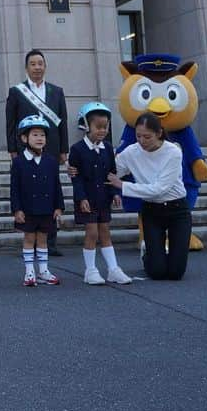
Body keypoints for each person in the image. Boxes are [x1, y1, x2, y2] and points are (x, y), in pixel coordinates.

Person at [108, 113, 191, 281]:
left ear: (159, 133)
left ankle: (163, 256)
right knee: (157, 272)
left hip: (177, 210)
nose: (142, 141)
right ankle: (150, 254)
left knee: (176, 273)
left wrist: (123, 186)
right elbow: (110, 171)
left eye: (147, 137)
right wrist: (77, 168)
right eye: (138, 136)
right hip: (151, 210)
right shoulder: (131, 152)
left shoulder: (173, 152)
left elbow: (159, 189)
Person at [5, 49, 69, 255]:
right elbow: (11, 123)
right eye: (33, 64)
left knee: (49, 191)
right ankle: (30, 240)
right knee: (28, 191)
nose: (37, 67)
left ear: (45, 66)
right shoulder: (17, 92)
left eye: (40, 63)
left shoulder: (56, 91)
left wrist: (64, 149)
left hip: (50, 148)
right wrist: (13, 150)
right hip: (25, 150)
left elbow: (63, 122)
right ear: (26, 67)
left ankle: (50, 242)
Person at [68, 102, 131, 286]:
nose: (102, 130)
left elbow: (111, 174)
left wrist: (115, 193)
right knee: (92, 232)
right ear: (86, 126)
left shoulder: (108, 149)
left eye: (105, 127)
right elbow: (76, 177)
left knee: (105, 232)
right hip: (87, 198)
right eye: (98, 127)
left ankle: (113, 269)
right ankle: (90, 270)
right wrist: (81, 198)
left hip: (103, 197)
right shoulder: (77, 149)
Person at [10, 115, 65, 287]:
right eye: (35, 134)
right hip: (27, 208)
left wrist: (58, 206)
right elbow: (15, 188)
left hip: (46, 207)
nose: (40, 138)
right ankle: (29, 272)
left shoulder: (50, 161)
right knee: (29, 239)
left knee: (43, 239)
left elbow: (57, 184)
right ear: (24, 138)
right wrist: (17, 209)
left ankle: (43, 270)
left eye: (42, 135)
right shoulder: (18, 162)